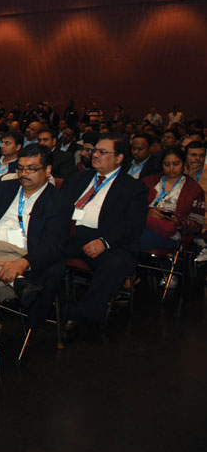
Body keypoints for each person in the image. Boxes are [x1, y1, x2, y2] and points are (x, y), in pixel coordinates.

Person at [0, 144, 71, 342]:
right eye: (20, 168)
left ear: (47, 170)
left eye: (31, 169)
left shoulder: (58, 201)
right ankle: (17, 283)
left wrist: (23, 263)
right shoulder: (5, 188)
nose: (24, 173)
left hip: (22, 254)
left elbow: (53, 246)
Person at [60, 135, 148, 341]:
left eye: (102, 152)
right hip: (71, 234)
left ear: (119, 158)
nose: (95, 155)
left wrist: (105, 242)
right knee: (43, 250)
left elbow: (132, 224)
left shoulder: (133, 188)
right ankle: (42, 306)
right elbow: (59, 206)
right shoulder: (79, 178)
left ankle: (82, 317)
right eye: (94, 151)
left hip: (108, 240)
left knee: (114, 266)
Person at [139, 148, 205, 250]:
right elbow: (132, 207)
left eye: (176, 164)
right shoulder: (148, 182)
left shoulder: (194, 189)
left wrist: (180, 223)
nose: (171, 168)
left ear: (183, 164)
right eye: (166, 164)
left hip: (170, 234)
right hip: (143, 224)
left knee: (136, 236)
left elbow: (197, 225)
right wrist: (147, 212)